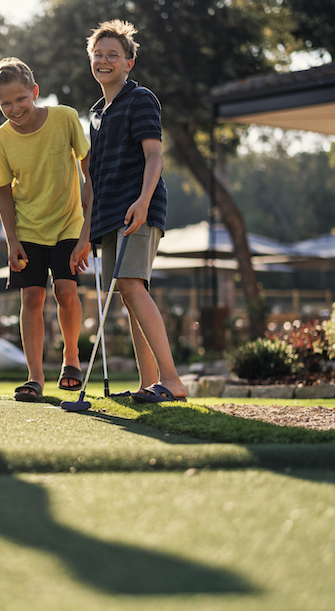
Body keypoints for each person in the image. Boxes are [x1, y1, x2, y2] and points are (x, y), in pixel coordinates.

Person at [74, 20, 187, 402]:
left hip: (138, 208)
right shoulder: (95, 114)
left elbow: (154, 155)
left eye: (113, 55)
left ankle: (173, 381)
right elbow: (94, 179)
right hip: (108, 216)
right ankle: (148, 383)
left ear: (129, 63)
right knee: (128, 291)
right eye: (98, 55)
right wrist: (87, 232)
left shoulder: (140, 100)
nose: (104, 61)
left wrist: (142, 200)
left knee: (131, 286)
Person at [0, 57, 92, 402]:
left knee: (65, 290)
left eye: (20, 99)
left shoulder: (65, 118)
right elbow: (3, 193)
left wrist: (88, 231)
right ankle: (34, 377)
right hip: (27, 228)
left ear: (34, 91)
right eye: (5, 104)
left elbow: (89, 172)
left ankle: (71, 359)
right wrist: (11, 239)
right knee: (31, 297)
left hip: (68, 223)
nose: (14, 109)